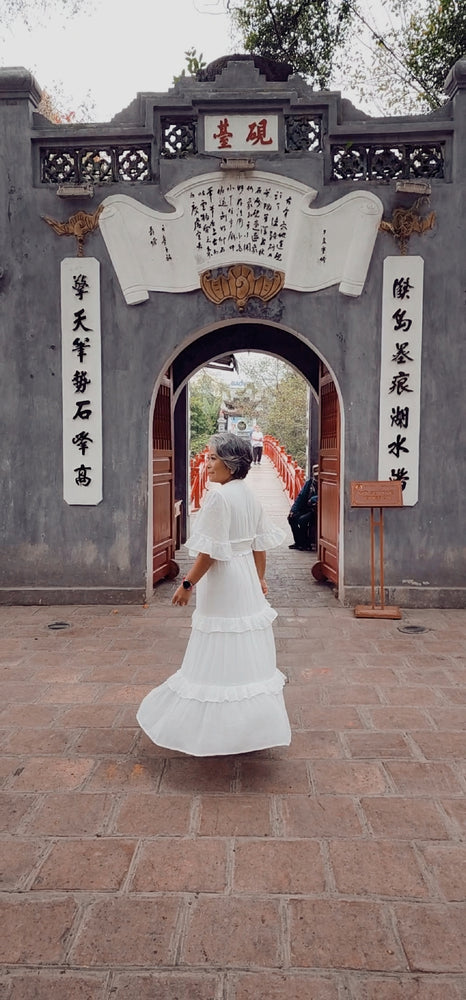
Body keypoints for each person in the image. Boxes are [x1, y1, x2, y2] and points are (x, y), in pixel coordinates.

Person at [137, 432, 291, 756]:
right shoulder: (248, 495)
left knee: (217, 644)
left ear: (230, 463)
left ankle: (216, 731)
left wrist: (187, 585)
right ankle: (246, 728)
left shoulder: (219, 497)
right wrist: (258, 580)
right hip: (245, 578)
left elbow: (210, 553)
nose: (207, 465)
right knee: (242, 647)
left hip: (224, 581)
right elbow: (258, 545)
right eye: (208, 458)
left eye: (212, 458)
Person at [287, 466, 318, 551]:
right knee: (291, 518)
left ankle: (306, 543)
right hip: (306, 508)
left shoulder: (325, 483)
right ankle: (298, 542)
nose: (317, 477)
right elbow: (301, 496)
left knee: (302, 520)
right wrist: (293, 510)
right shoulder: (310, 483)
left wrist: (313, 499)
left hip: (316, 510)